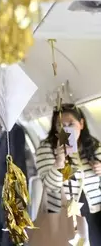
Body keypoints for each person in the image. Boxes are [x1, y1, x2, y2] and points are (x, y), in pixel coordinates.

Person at [35, 104, 101, 244]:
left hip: (95, 211)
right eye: (60, 125)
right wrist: (58, 163)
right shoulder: (46, 149)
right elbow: (50, 186)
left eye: (71, 124)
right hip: (63, 213)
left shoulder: (94, 146)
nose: (66, 129)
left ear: (81, 124)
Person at [0, 118, 28, 246]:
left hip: (11, 190)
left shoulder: (16, 131)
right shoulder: (0, 134)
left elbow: (16, 161)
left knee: (11, 232)